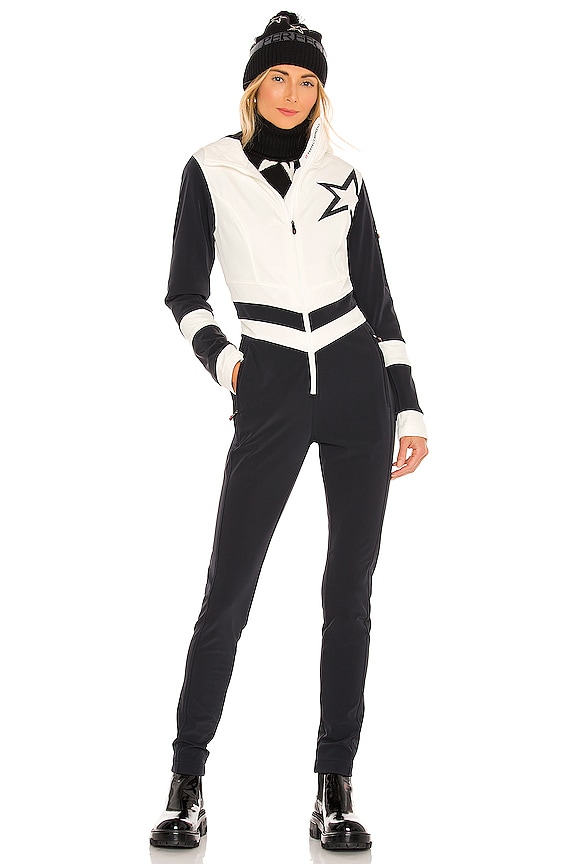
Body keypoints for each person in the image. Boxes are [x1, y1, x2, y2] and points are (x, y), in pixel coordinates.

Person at [150, 10, 428, 853]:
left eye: (307, 81)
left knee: (349, 594)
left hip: (354, 384)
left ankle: (333, 788)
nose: (292, 94)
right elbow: (183, 293)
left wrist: (408, 405)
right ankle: (187, 783)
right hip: (269, 384)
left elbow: (378, 296)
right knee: (228, 592)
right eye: (278, 77)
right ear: (253, 84)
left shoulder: (343, 174)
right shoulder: (210, 168)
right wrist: (229, 365)